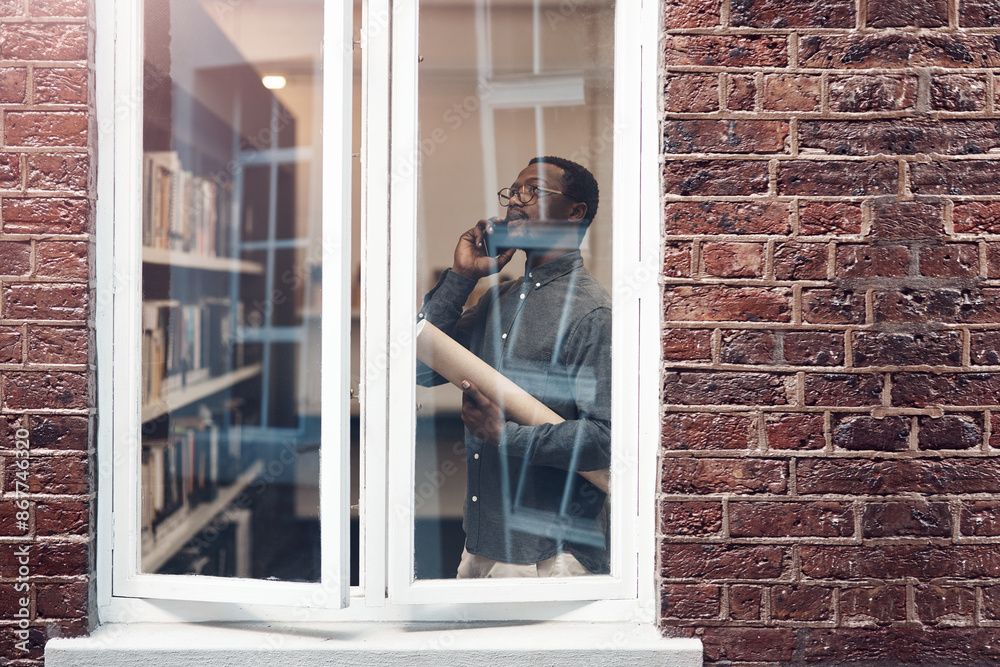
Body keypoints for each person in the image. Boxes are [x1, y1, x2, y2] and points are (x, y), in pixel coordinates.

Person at [416, 156, 611, 577]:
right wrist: (462, 276)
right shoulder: (496, 300)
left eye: (533, 191)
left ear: (574, 213)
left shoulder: (594, 312)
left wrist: (506, 436)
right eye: (514, 191)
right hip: (480, 544)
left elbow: (604, 438)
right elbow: (423, 369)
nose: (516, 202)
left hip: (549, 557)